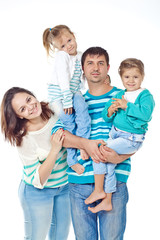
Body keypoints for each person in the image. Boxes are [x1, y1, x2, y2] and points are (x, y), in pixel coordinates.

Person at [52, 47, 134, 240]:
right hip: (78, 182)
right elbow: (57, 133)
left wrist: (119, 156)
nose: (95, 68)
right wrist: (85, 144)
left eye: (100, 63)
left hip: (113, 184)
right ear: (82, 68)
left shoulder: (123, 97)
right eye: (90, 63)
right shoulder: (72, 100)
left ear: (108, 68)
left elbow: (137, 135)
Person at [85, 58, 155, 212]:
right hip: (115, 135)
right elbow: (106, 116)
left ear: (142, 77)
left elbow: (145, 115)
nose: (131, 81)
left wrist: (126, 106)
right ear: (121, 77)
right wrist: (111, 110)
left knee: (99, 152)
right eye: (127, 77)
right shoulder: (120, 94)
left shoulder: (145, 95)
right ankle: (107, 199)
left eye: (135, 77)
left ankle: (98, 190)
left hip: (130, 138)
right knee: (109, 163)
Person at [0, 87, 71, 240]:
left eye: (29, 99)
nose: (31, 107)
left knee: (60, 236)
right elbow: (38, 179)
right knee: (35, 237)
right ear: (18, 116)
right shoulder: (24, 138)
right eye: (23, 109)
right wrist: (54, 150)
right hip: (37, 192)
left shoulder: (53, 110)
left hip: (64, 186)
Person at [43, 25, 91, 175]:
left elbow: (84, 74)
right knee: (69, 123)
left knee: (83, 113)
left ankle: (83, 143)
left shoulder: (80, 55)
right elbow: (64, 78)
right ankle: (72, 160)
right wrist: (67, 101)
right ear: (58, 49)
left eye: (69, 40)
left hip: (73, 91)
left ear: (74, 35)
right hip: (59, 96)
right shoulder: (61, 56)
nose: (68, 46)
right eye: (62, 46)